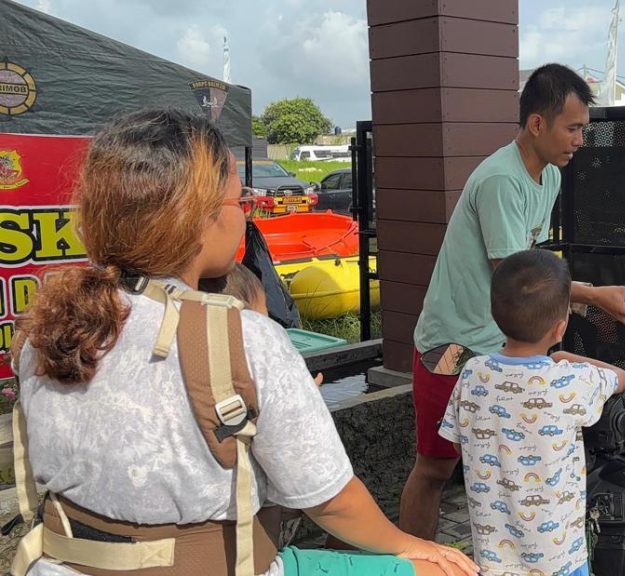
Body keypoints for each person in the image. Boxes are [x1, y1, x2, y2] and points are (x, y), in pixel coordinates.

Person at [11, 109, 477, 576]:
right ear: (197, 217)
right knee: (442, 571)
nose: (246, 212)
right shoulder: (242, 336)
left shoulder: (51, 324)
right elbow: (330, 500)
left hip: (58, 565)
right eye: (240, 201)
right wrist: (411, 545)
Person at [400, 63, 625, 541]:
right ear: (538, 123)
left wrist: (593, 298)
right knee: (435, 469)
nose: (580, 139)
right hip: (453, 343)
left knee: (515, 470)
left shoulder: (550, 177)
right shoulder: (501, 179)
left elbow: (533, 263)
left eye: (583, 128)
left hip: (503, 343)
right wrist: (597, 296)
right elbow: (517, 277)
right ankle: (417, 560)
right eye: (573, 127)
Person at [438, 250, 625, 576]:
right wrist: (566, 356)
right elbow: (620, 379)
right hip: (560, 557)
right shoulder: (568, 380)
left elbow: (458, 445)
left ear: (493, 312)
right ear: (560, 327)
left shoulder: (473, 373)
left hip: (494, 557)